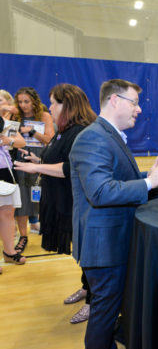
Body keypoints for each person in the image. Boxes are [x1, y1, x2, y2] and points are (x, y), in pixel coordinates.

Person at [69, 79, 158, 349]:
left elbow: (117, 178)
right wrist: (149, 183)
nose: (138, 110)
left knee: (109, 313)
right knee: (104, 317)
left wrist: (148, 177)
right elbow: (100, 191)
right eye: (135, 103)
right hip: (104, 247)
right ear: (115, 101)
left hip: (113, 242)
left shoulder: (109, 135)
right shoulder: (93, 137)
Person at [14, 83, 97, 323]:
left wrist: (36, 166)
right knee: (79, 251)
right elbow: (56, 157)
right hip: (62, 201)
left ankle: (94, 299)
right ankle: (85, 287)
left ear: (68, 105)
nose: (49, 107)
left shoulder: (81, 131)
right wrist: (37, 157)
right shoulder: (66, 130)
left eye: (54, 103)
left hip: (76, 202)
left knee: (87, 252)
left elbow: (71, 169)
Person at [12, 87, 55, 253]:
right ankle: (23, 236)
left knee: (42, 196)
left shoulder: (44, 116)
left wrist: (31, 131)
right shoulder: (16, 116)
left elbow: (49, 139)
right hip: (20, 159)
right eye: (20, 102)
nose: (23, 105)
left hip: (39, 158)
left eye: (26, 101)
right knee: (21, 199)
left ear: (34, 101)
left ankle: (47, 230)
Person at [0, 90, 27, 271]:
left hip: (4, 168)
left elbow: (21, 142)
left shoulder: (8, 122)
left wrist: (7, 140)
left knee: (7, 212)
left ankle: (9, 251)